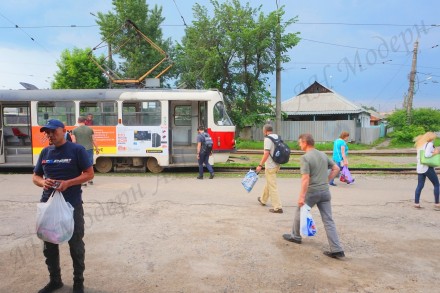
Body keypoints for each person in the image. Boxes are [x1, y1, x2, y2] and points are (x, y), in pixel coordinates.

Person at [32, 119, 93, 293]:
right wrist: (43, 182)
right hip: (49, 206)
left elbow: (89, 174)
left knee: (75, 245)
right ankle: (55, 280)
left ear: (64, 131)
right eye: (47, 132)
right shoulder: (45, 152)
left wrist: (69, 183)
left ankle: (78, 282)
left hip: (71, 206)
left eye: (53, 131)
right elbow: (35, 177)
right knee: (49, 245)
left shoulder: (77, 150)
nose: (50, 135)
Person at [283, 133, 345, 259]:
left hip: (312, 192)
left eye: (300, 142)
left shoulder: (305, 158)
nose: (299, 144)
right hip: (325, 192)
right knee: (328, 220)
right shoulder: (322, 154)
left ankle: (296, 236)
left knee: (299, 211)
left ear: (305, 142)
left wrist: (301, 197)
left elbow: (305, 179)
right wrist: (327, 180)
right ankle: (337, 250)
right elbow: (336, 168)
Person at [255, 124, 283, 213]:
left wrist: (260, 165)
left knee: (272, 186)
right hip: (277, 164)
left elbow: (266, 154)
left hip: (270, 166)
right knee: (269, 182)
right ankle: (263, 200)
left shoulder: (267, 139)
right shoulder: (277, 137)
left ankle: (278, 207)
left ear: (265, 131)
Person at [413, 132, 440, 210]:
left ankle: (416, 203)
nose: (434, 139)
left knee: (420, 185)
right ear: (430, 138)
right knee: (437, 184)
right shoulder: (429, 144)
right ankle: (437, 203)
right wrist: (434, 153)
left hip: (420, 167)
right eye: (433, 138)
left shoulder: (420, 144)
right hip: (427, 167)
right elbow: (427, 155)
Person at [72, 117, 100, 186]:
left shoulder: (74, 130)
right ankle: (90, 180)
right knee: (89, 164)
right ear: (85, 121)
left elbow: (74, 141)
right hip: (89, 149)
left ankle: (83, 181)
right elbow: (94, 140)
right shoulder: (90, 129)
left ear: (78, 121)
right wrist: (97, 149)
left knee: (80, 165)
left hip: (79, 150)